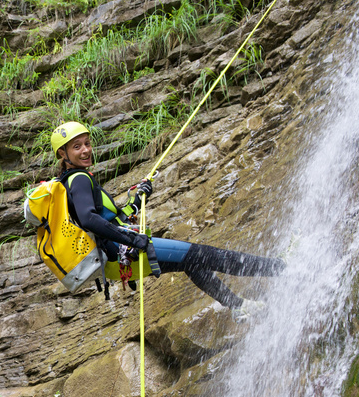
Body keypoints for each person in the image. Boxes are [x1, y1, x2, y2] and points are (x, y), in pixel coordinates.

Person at [51, 121, 284, 310]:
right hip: (125, 251)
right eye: (77, 147)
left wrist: (136, 201)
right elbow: (89, 219)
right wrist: (133, 240)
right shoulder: (79, 178)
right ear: (63, 153)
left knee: (192, 261)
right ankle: (280, 268)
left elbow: (111, 218)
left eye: (87, 144)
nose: (86, 150)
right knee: (205, 254)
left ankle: (238, 306)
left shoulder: (70, 182)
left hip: (116, 260)